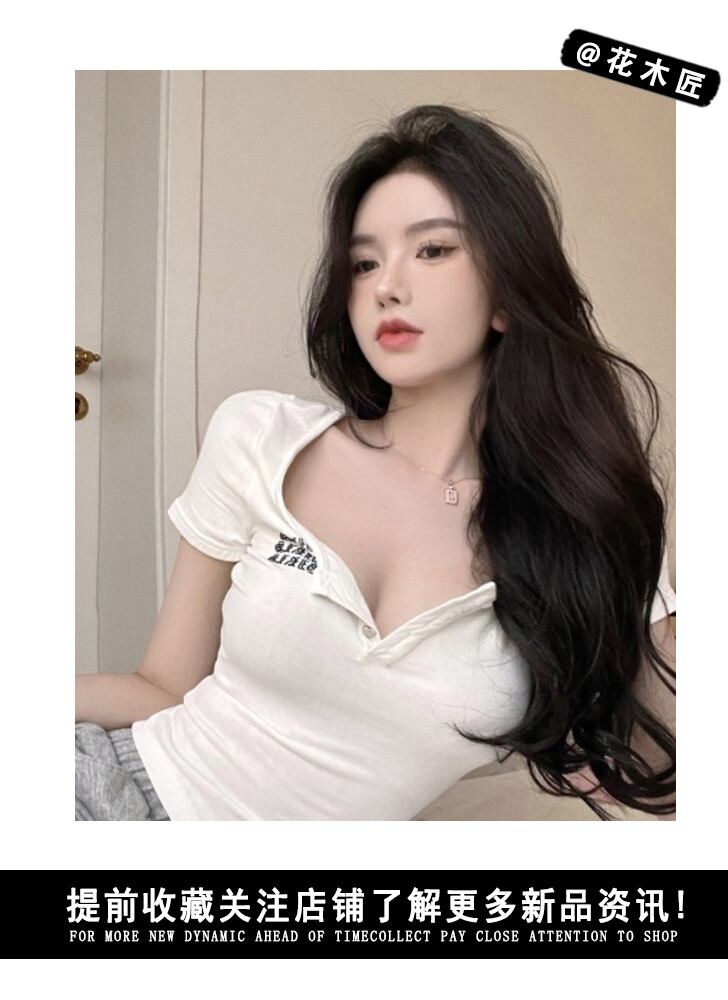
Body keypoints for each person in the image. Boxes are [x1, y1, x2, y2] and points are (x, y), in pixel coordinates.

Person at [75, 103, 676, 821]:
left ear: (508, 295)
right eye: (364, 263)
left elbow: (668, 763)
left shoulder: (583, 522)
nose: (386, 285)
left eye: (433, 250)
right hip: (107, 794)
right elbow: (162, 685)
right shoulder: (261, 437)